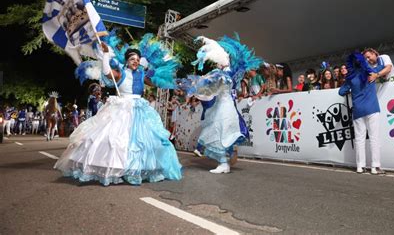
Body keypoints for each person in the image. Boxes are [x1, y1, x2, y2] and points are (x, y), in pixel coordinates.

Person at [55, 33, 182, 186]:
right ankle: (116, 169)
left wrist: (162, 72)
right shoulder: (120, 73)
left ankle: (136, 170)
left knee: (144, 142)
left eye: (137, 60)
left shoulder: (142, 75)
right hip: (121, 108)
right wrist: (106, 55)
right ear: (127, 61)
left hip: (140, 109)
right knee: (114, 140)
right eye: (132, 59)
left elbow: (157, 82)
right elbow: (107, 72)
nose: (134, 62)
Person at [181, 34, 262, 174]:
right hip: (225, 105)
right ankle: (225, 160)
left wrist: (193, 87)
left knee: (218, 133)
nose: (216, 64)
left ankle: (224, 163)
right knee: (220, 133)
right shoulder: (231, 72)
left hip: (224, 107)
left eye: (216, 61)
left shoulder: (222, 74)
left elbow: (209, 86)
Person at [338, 52, 385, 175]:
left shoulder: (351, 77)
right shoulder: (370, 71)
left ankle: (360, 166)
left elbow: (341, 92)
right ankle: (375, 167)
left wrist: (350, 85)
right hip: (372, 108)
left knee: (359, 139)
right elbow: (382, 65)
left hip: (358, 110)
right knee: (374, 138)